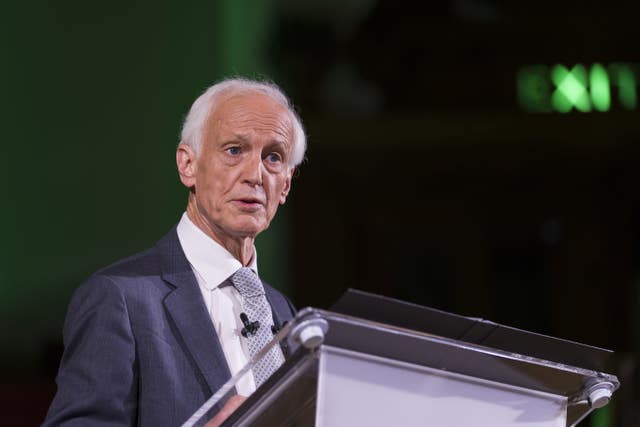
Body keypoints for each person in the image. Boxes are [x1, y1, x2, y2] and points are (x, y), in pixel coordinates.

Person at [42, 78, 306, 426]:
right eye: (234, 150)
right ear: (188, 165)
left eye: (273, 157)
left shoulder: (283, 312)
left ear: (285, 184)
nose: (255, 175)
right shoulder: (119, 298)